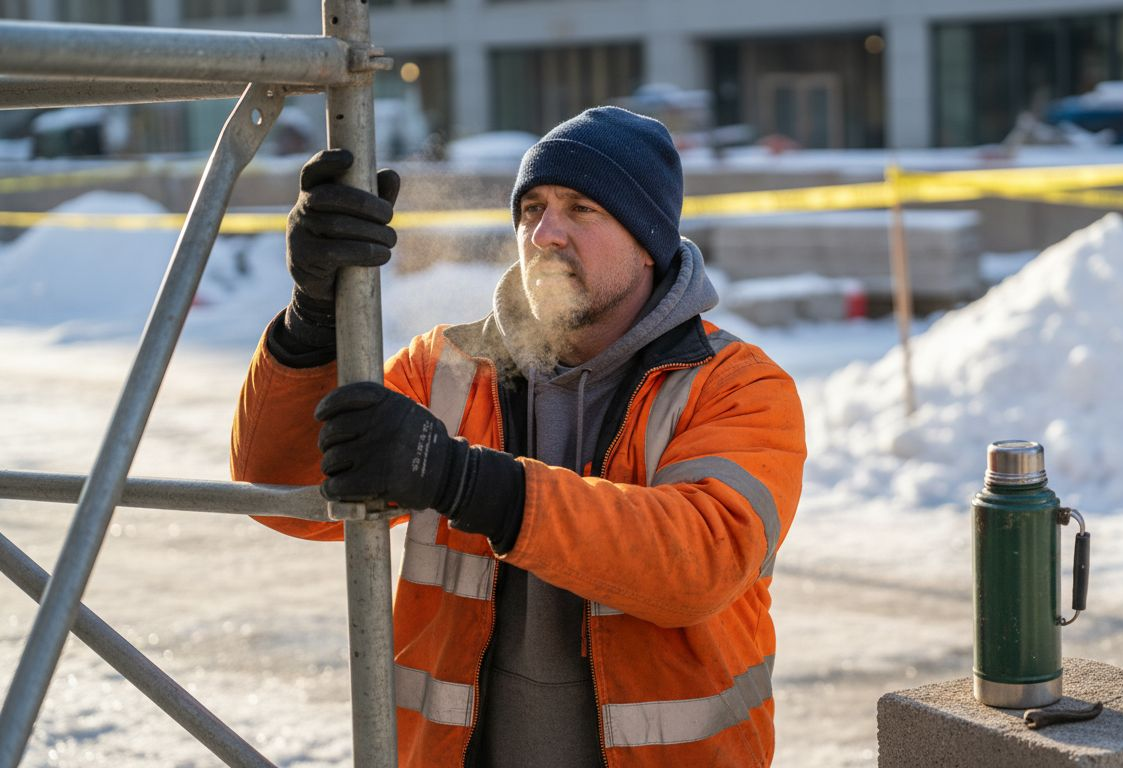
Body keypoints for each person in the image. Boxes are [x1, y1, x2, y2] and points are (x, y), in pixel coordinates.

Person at [231, 106, 805, 768]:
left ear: (649, 240)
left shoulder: (734, 385)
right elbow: (283, 494)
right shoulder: (446, 366)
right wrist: (311, 320)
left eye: (582, 208)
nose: (544, 234)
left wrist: (467, 482)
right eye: (531, 208)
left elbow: (698, 563)